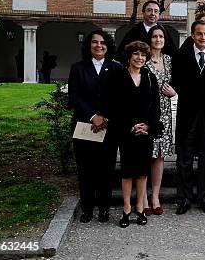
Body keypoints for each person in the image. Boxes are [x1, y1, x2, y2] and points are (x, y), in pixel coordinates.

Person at [103, 41, 161, 228]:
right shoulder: (118, 76)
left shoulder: (150, 77)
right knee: (128, 172)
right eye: (136, 54)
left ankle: (140, 208)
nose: (140, 58)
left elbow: (155, 107)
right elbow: (113, 106)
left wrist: (149, 126)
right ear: (129, 57)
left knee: (143, 172)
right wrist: (129, 126)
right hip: (126, 131)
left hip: (145, 132)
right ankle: (126, 209)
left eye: (143, 55)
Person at [68, 30, 122, 223]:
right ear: (88, 45)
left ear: (108, 46)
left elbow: (119, 97)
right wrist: (93, 116)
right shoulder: (78, 68)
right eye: (94, 42)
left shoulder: (116, 68)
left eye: (103, 43)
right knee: (86, 169)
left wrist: (105, 117)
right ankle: (87, 208)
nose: (99, 46)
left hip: (108, 127)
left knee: (106, 169)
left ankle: (104, 209)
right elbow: (74, 96)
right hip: (85, 126)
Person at [172, 20, 205, 215]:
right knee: (184, 158)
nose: (203, 38)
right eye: (199, 34)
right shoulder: (181, 56)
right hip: (187, 113)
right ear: (192, 35)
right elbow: (175, 83)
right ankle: (184, 199)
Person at [141, 25, 177, 216]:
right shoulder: (143, 61)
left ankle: (155, 196)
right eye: (154, 36)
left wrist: (174, 93)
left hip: (165, 114)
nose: (158, 39)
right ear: (150, 39)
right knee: (146, 154)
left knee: (160, 156)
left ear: (165, 40)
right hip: (147, 114)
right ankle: (144, 197)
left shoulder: (170, 61)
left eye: (161, 36)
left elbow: (177, 84)